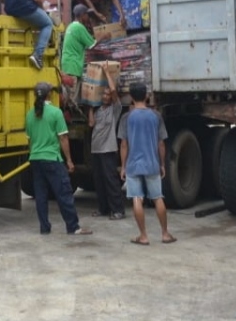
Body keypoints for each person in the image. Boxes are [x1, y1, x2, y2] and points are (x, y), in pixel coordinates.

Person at [25, 81, 93, 236]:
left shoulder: (30, 114)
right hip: (52, 159)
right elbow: (63, 138)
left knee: (41, 195)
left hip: (35, 158)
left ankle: (44, 228)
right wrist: (69, 160)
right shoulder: (56, 113)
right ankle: (73, 227)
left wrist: (35, 153)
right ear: (50, 94)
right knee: (63, 192)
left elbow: (29, 141)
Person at [118, 83, 176, 245]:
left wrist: (123, 166)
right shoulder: (156, 116)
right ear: (146, 96)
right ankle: (165, 234)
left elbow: (124, 144)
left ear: (131, 97)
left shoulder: (126, 118)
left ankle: (143, 236)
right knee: (158, 198)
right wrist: (162, 164)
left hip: (133, 165)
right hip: (152, 164)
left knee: (137, 198)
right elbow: (161, 144)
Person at [86, 78, 126, 220]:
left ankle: (118, 210)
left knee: (111, 180)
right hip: (96, 150)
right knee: (99, 180)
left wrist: (108, 74)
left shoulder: (115, 110)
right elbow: (91, 124)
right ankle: (103, 209)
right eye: (104, 94)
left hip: (108, 150)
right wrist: (90, 106)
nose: (106, 97)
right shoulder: (98, 111)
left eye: (108, 95)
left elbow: (114, 91)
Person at [59, 4, 112, 107]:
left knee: (68, 97)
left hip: (67, 66)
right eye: (87, 15)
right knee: (72, 100)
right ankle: (69, 120)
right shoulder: (79, 27)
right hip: (73, 67)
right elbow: (92, 44)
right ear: (82, 15)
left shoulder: (71, 26)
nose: (88, 17)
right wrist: (104, 36)